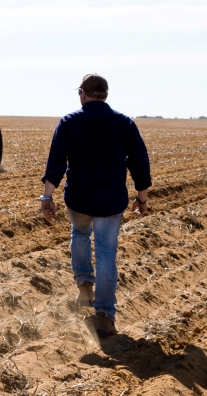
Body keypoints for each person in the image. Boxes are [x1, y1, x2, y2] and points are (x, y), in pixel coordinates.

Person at [39, 73, 151, 338]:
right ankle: (104, 315)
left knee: (79, 234)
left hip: (79, 198)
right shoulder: (125, 123)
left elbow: (56, 161)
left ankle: (85, 283)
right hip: (111, 201)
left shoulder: (69, 122)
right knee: (106, 253)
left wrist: (47, 197)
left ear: (83, 93)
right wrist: (142, 197)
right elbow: (140, 162)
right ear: (106, 95)